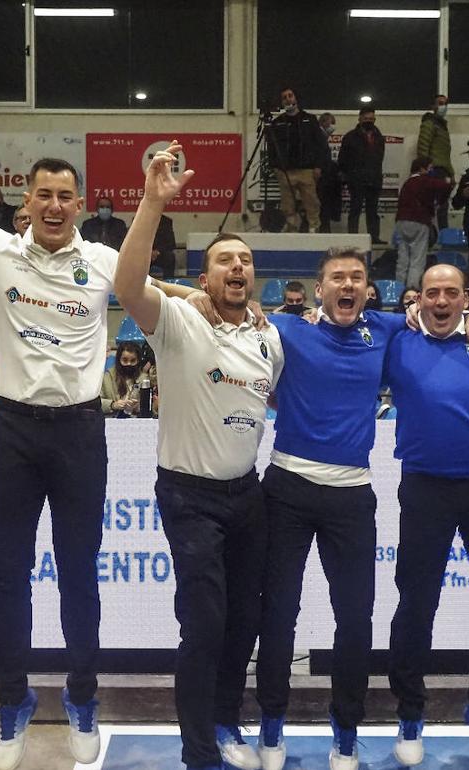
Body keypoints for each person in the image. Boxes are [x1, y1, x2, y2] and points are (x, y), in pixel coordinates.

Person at [0, 48, 210, 770]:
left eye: (66, 196)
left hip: (79, 436)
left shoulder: (99, 260)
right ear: (25, 202)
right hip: (13, 433)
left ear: (79, 202)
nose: (55, 206)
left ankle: (83, 698)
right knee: (8, 575)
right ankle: (16, 703)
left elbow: (155, 288)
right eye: (43, 196)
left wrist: (216, 302)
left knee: (78, 575)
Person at [113, 142, 285, 770]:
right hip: (189, 496)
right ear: (204, 276)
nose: (236, 268)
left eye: (244, 260)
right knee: (205, 624)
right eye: (222, 262)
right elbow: (128, 283)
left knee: (245, 621)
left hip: (249, 496)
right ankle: (200, 753)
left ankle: (224, 720)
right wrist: (154, 203)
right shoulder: (180, 322)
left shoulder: (270, 336)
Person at [253, 248, 410, 770]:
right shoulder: (287, 329)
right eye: (337, 277)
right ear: (318, 290)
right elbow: (224, 312)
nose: (348, 284)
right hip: (287, 487)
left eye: (357, 278)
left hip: (351, 495)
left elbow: (446, 315)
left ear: (368, 289)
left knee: (355, 617)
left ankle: (345, 729)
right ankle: (271, 724)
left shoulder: (387, 329)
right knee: (278, 613)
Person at [385, 264, 469, 765]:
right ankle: (409, 714)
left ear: (466, 298)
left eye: (451, 293)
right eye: (432, 292)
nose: (441, 301)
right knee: (416, 604)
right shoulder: (395, 341)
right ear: (417, 298)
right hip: (425, 487)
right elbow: (346, 333)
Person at [268, 87, 326, 232]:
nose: (288, 99)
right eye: (284, 97)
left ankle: (314, 228)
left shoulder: (309, 119)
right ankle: (291, 230)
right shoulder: (278, 122)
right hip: (285, 170)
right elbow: (272, 147)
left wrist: (318, 166)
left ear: (295, 98)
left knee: (311, 202)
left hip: (306, 169)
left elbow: (320, 144)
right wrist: (275, 167)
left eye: (290, 96)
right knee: (288, 204)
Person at [394, 158, 452, 289]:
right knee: (417, 260)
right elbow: (445, 187)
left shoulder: (407, 182)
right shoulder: (425, 181)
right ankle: (411, 291)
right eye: (429, 167)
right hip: (419, 221)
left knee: (402, 259)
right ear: (422, 169)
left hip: (401, 222)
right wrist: (447, 182)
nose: (431, 170)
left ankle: (398, 290)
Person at [338, 108, 386, 243]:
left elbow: (379, 158)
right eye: (366, 119)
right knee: (355, 208)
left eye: (371, 119)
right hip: (356, 179)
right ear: (359, 119)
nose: (369, 122)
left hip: (374, 178)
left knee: (373, 210)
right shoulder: (350, 137)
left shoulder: (379, 137)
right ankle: (353, 237)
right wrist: (348, 175)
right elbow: (342, 159)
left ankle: (374, 237)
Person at [416, 94, 453, 229]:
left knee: (443, 207)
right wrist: (424, 170)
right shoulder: (429, 124)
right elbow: (423, 147)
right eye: (440, 103)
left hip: (443, 171)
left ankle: (443, 235)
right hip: (433, 170)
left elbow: (445, 156)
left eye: (446, 104)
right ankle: (429, 235)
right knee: (430, 206)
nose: (443, 107)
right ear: (433, 106)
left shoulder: (442, 126)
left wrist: (451, 173)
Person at [101, 341, 156, 417]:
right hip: (112, 419)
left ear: (138, 360)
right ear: (118, 360)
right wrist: (112, 404)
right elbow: (96, 403)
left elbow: (154, 404)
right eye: (125, 360)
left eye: (133, 361)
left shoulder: (145, 379)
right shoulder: (107, 378)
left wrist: (139, 406)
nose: (128, 364)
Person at [316, 112, 342, 233]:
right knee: (321, 208)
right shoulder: (318, 137)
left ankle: (324, 229)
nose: (332, 127)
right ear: (324, 122)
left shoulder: (323, 138)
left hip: (325, 178)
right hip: (320, 180)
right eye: (331, 124)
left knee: (324, 209)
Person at [152, 213, 178, 278]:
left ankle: (168, 282)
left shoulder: (166, 221)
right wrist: (149, 252)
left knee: (170, 257)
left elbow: (171, 243)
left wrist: (157, 251)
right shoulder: (139, 220)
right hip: (144, 253)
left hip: (160, 253)